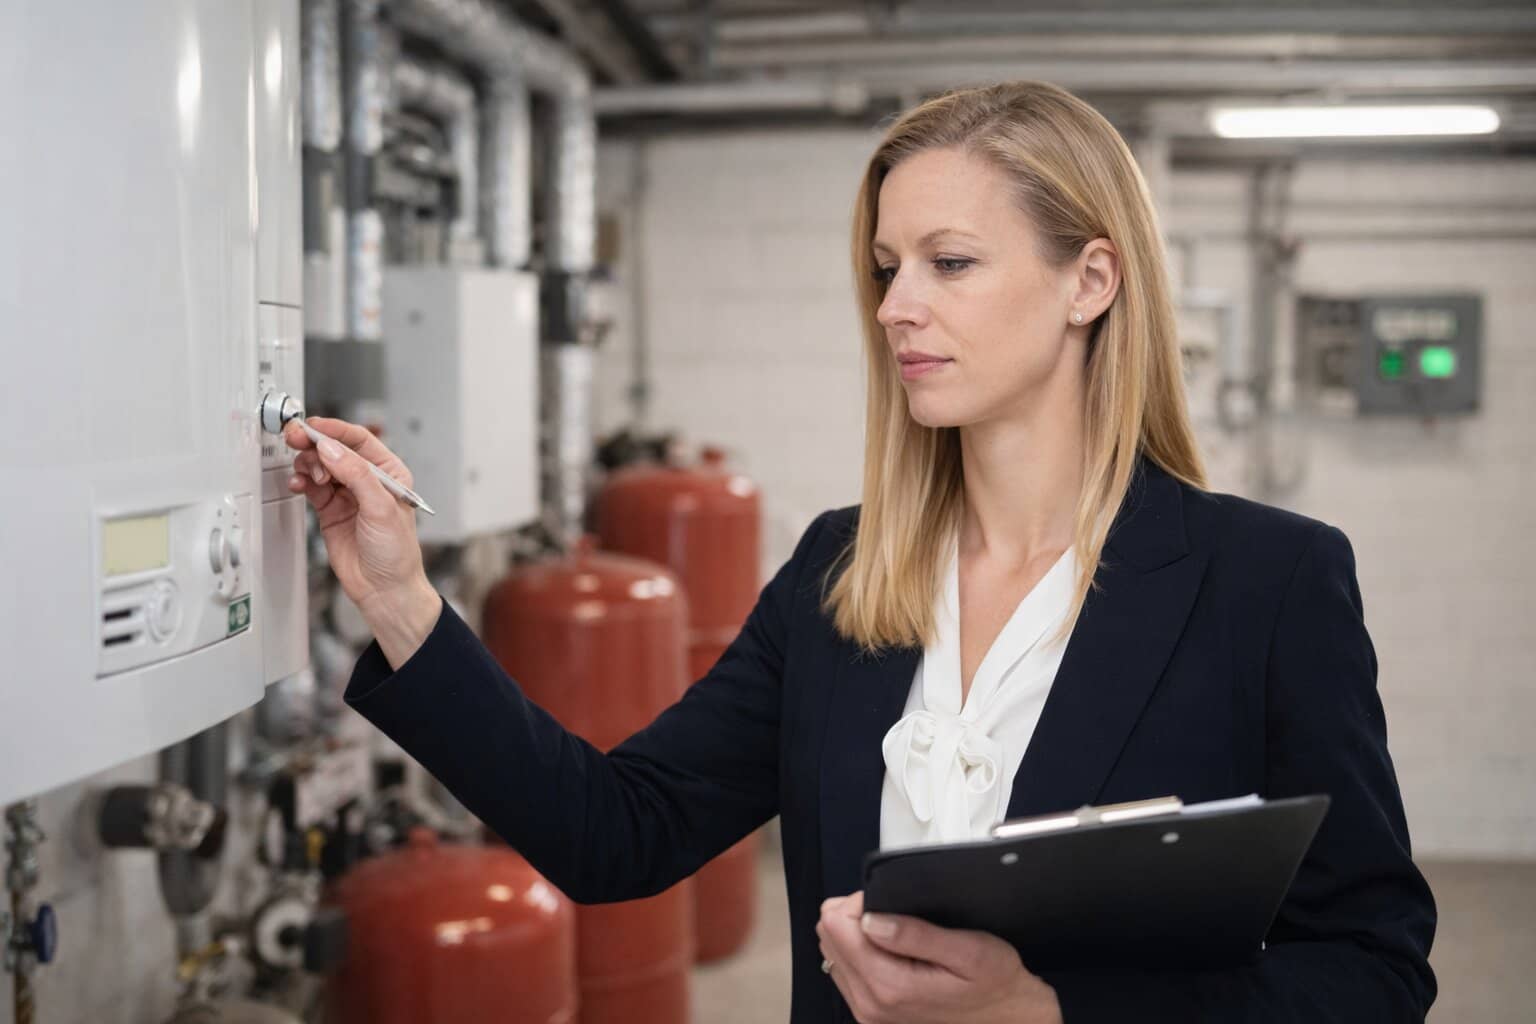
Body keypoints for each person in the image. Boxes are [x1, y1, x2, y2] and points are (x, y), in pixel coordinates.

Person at [284, 81, 1436, 1023]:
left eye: (951, 261)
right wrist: (398, 596)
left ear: (1091, 279)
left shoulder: (1269, 583)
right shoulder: (844, 575)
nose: (894, 306)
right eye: (888, 267)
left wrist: (1047, 1016)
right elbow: (614, 831)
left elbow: (1372, 971)